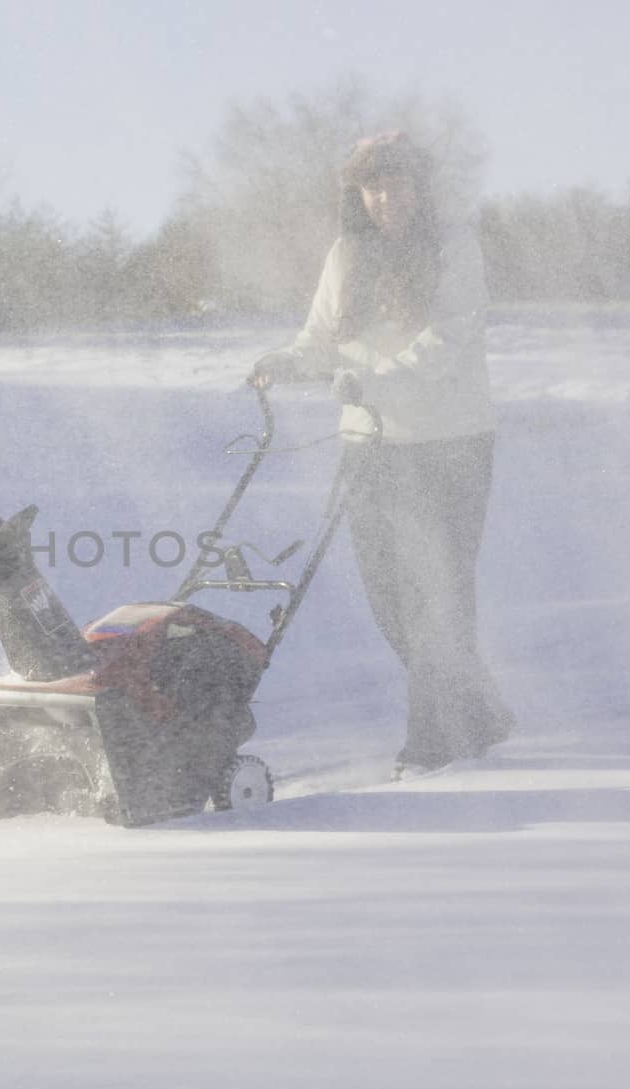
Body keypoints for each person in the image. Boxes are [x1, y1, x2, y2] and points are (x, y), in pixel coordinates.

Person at [252, 131, 514, 775]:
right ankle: (478, 708)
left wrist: (373, 381)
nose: (385, 197)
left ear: (421, 189)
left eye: (396, 184)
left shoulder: (455, 249)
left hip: (448, 446)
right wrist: (284, 362)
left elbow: (447, 340)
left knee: (438, 596)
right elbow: (319, 339)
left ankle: (434, 743)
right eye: (372, 186)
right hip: (370, 447)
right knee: (389, 601)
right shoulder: (346, 255)